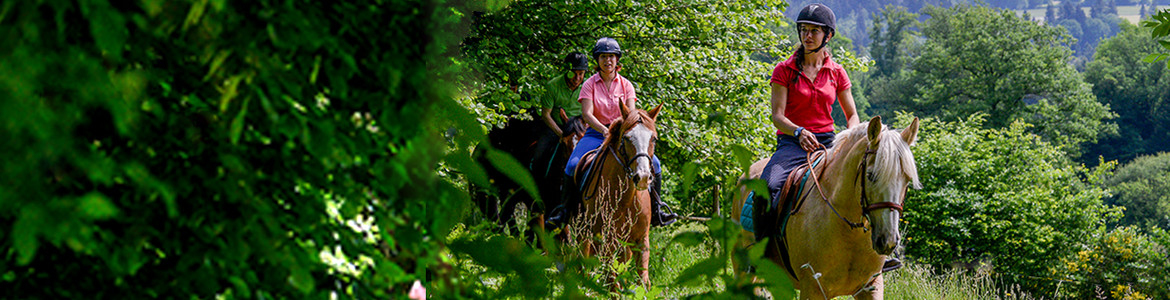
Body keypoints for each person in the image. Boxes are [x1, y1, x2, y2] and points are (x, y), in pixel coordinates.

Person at [756, 3, 900, 272]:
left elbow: (852, 115)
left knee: (869, 184)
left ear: (828, 36)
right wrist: (797, 131)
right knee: (769, 185)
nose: (807, 35)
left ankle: (880, 253)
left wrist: (852, 138)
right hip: (791, 143)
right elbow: (777, 116)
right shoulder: (783, 70)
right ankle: (762, 250)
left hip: (829, 142)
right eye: (803, 30)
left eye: (814, 31)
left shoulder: (837, 72)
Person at [546, 37, 679, 227]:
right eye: (603, 57)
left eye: (611, 56)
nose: (607, 60)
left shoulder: (627, 85)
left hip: (622, 136)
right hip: (594, 134)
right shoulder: (589, 84)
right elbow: (586, 113)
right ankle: (565, 212)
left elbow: (632, 116)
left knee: (655, 164)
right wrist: (604, 129)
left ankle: (657, 211)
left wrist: (619, 132)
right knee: (572, 165)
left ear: (617, 60)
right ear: (597, 60)